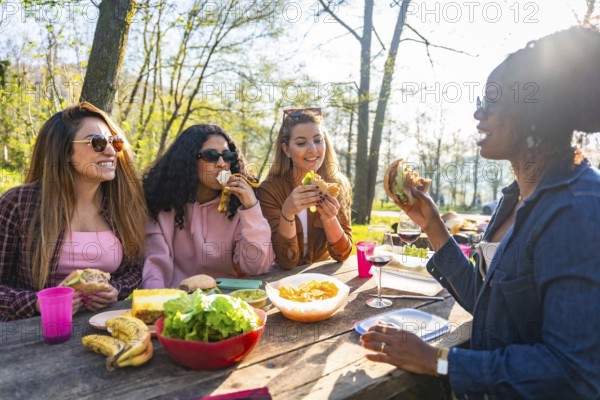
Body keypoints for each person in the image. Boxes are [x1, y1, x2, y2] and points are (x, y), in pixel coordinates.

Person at [360, 27, 600, 399]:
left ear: (530, 113)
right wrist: (433, 225)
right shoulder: (515, 198)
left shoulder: (578, 207)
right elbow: (492, 308)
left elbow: (572, 371)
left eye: (489, 102)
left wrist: (438, 361)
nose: (477, 112)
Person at [0, 102, 147, 321]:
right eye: (96, 142)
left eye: (114, 142)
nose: (110, 151)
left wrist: (116, 290)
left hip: (104, 327)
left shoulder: (122, 205)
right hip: (34, 337)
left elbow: (135, 270)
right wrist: (37, 302)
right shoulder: (18, 204)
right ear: (65, 151)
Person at [142, 124, 274, 288]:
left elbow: (256, 267)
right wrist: (156, 304)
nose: (221, 163)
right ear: (188, 160)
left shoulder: (238, 206)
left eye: (227, 156)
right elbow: (154, 267)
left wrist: (251, 208)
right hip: (177, 300)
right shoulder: (162, 204)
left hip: (226, 297)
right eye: (210, 155)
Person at [257, 108, 352, 269]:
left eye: (318, 140)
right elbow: (286, 262)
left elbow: (342, 254)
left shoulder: (336, 185)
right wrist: (287, 214)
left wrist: (329, 219)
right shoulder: (269, 191)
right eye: (301, 143)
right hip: (283, 282)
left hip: (324, 280)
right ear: (286, 150)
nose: (313, 150)